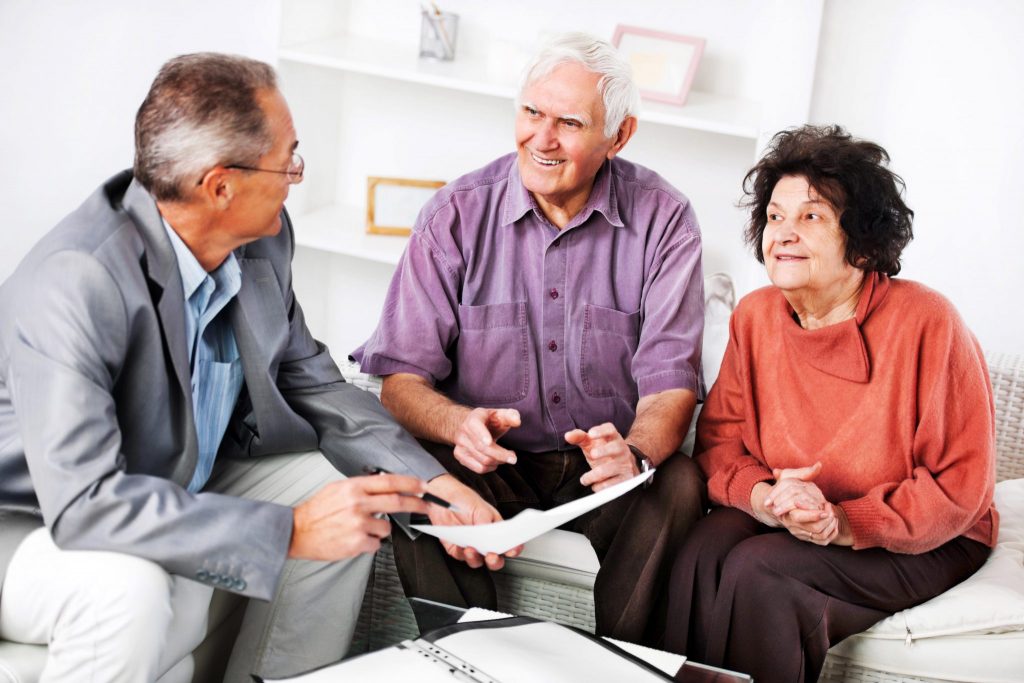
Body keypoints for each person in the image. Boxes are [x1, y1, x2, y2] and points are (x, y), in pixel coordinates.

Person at [0, 53, 492, 683]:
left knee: (343, 499)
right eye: (287, 157)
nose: (296, 174)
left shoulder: (261, 236)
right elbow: (86, 503)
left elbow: (308, 377)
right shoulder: (78, 281)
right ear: (220, 184)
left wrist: (428, 482)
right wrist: (286, 531)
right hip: (34, 520)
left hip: (171, 480)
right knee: (129, 592)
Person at [353, 32, 706, 647]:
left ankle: (616, 663)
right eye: (531, 113)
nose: (542, 139)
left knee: (676, 485)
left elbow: (670, 383)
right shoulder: (455, 215)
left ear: (617, 137)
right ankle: (468, 653)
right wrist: (457, 422)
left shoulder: (665, 220)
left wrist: (636, 454)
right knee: (417, 476)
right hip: (490, 462)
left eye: (569, 123)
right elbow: (400, 382)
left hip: (602, 465)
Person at [664, 125, 998, 683]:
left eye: (812, 217)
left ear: (863, 241)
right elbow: (721, 442)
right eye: (775, 217)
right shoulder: (756, 316)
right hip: (799, 513)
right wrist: (765, 497)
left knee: (760, 569)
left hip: (929, 534)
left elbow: (958, 488)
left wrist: (843, 521)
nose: (784, 234)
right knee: (703, 547)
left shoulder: (927, 321)